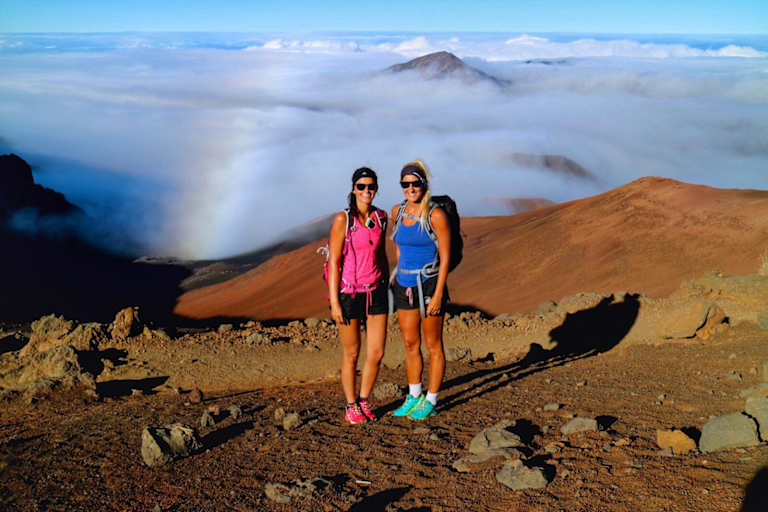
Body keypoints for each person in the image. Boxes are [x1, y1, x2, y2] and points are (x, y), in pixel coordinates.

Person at [327, 167, 389, 424]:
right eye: (361, 186)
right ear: (353, 189)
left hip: (377, 291)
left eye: (371, 186)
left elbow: (382, 254)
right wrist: (334, 302)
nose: (367, 191)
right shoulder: (344, 220)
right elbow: (334, 262)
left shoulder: (382, 217)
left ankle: (364, 400)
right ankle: (350, 405)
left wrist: (388, 283)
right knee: (352, 353)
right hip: (349, 293)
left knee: (377, 352)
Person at [389, 160, 450, 420]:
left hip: (428, 283)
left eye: (415, 183)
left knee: (433, 345)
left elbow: (445, 257)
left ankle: (431, 399)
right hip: (404, 284)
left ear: (424, 183)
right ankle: (414, 395)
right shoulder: (397, 211)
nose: (411, 188)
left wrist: (437, 293)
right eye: (406, 184)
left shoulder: (435, 215)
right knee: (410, 343)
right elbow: (398, 244)